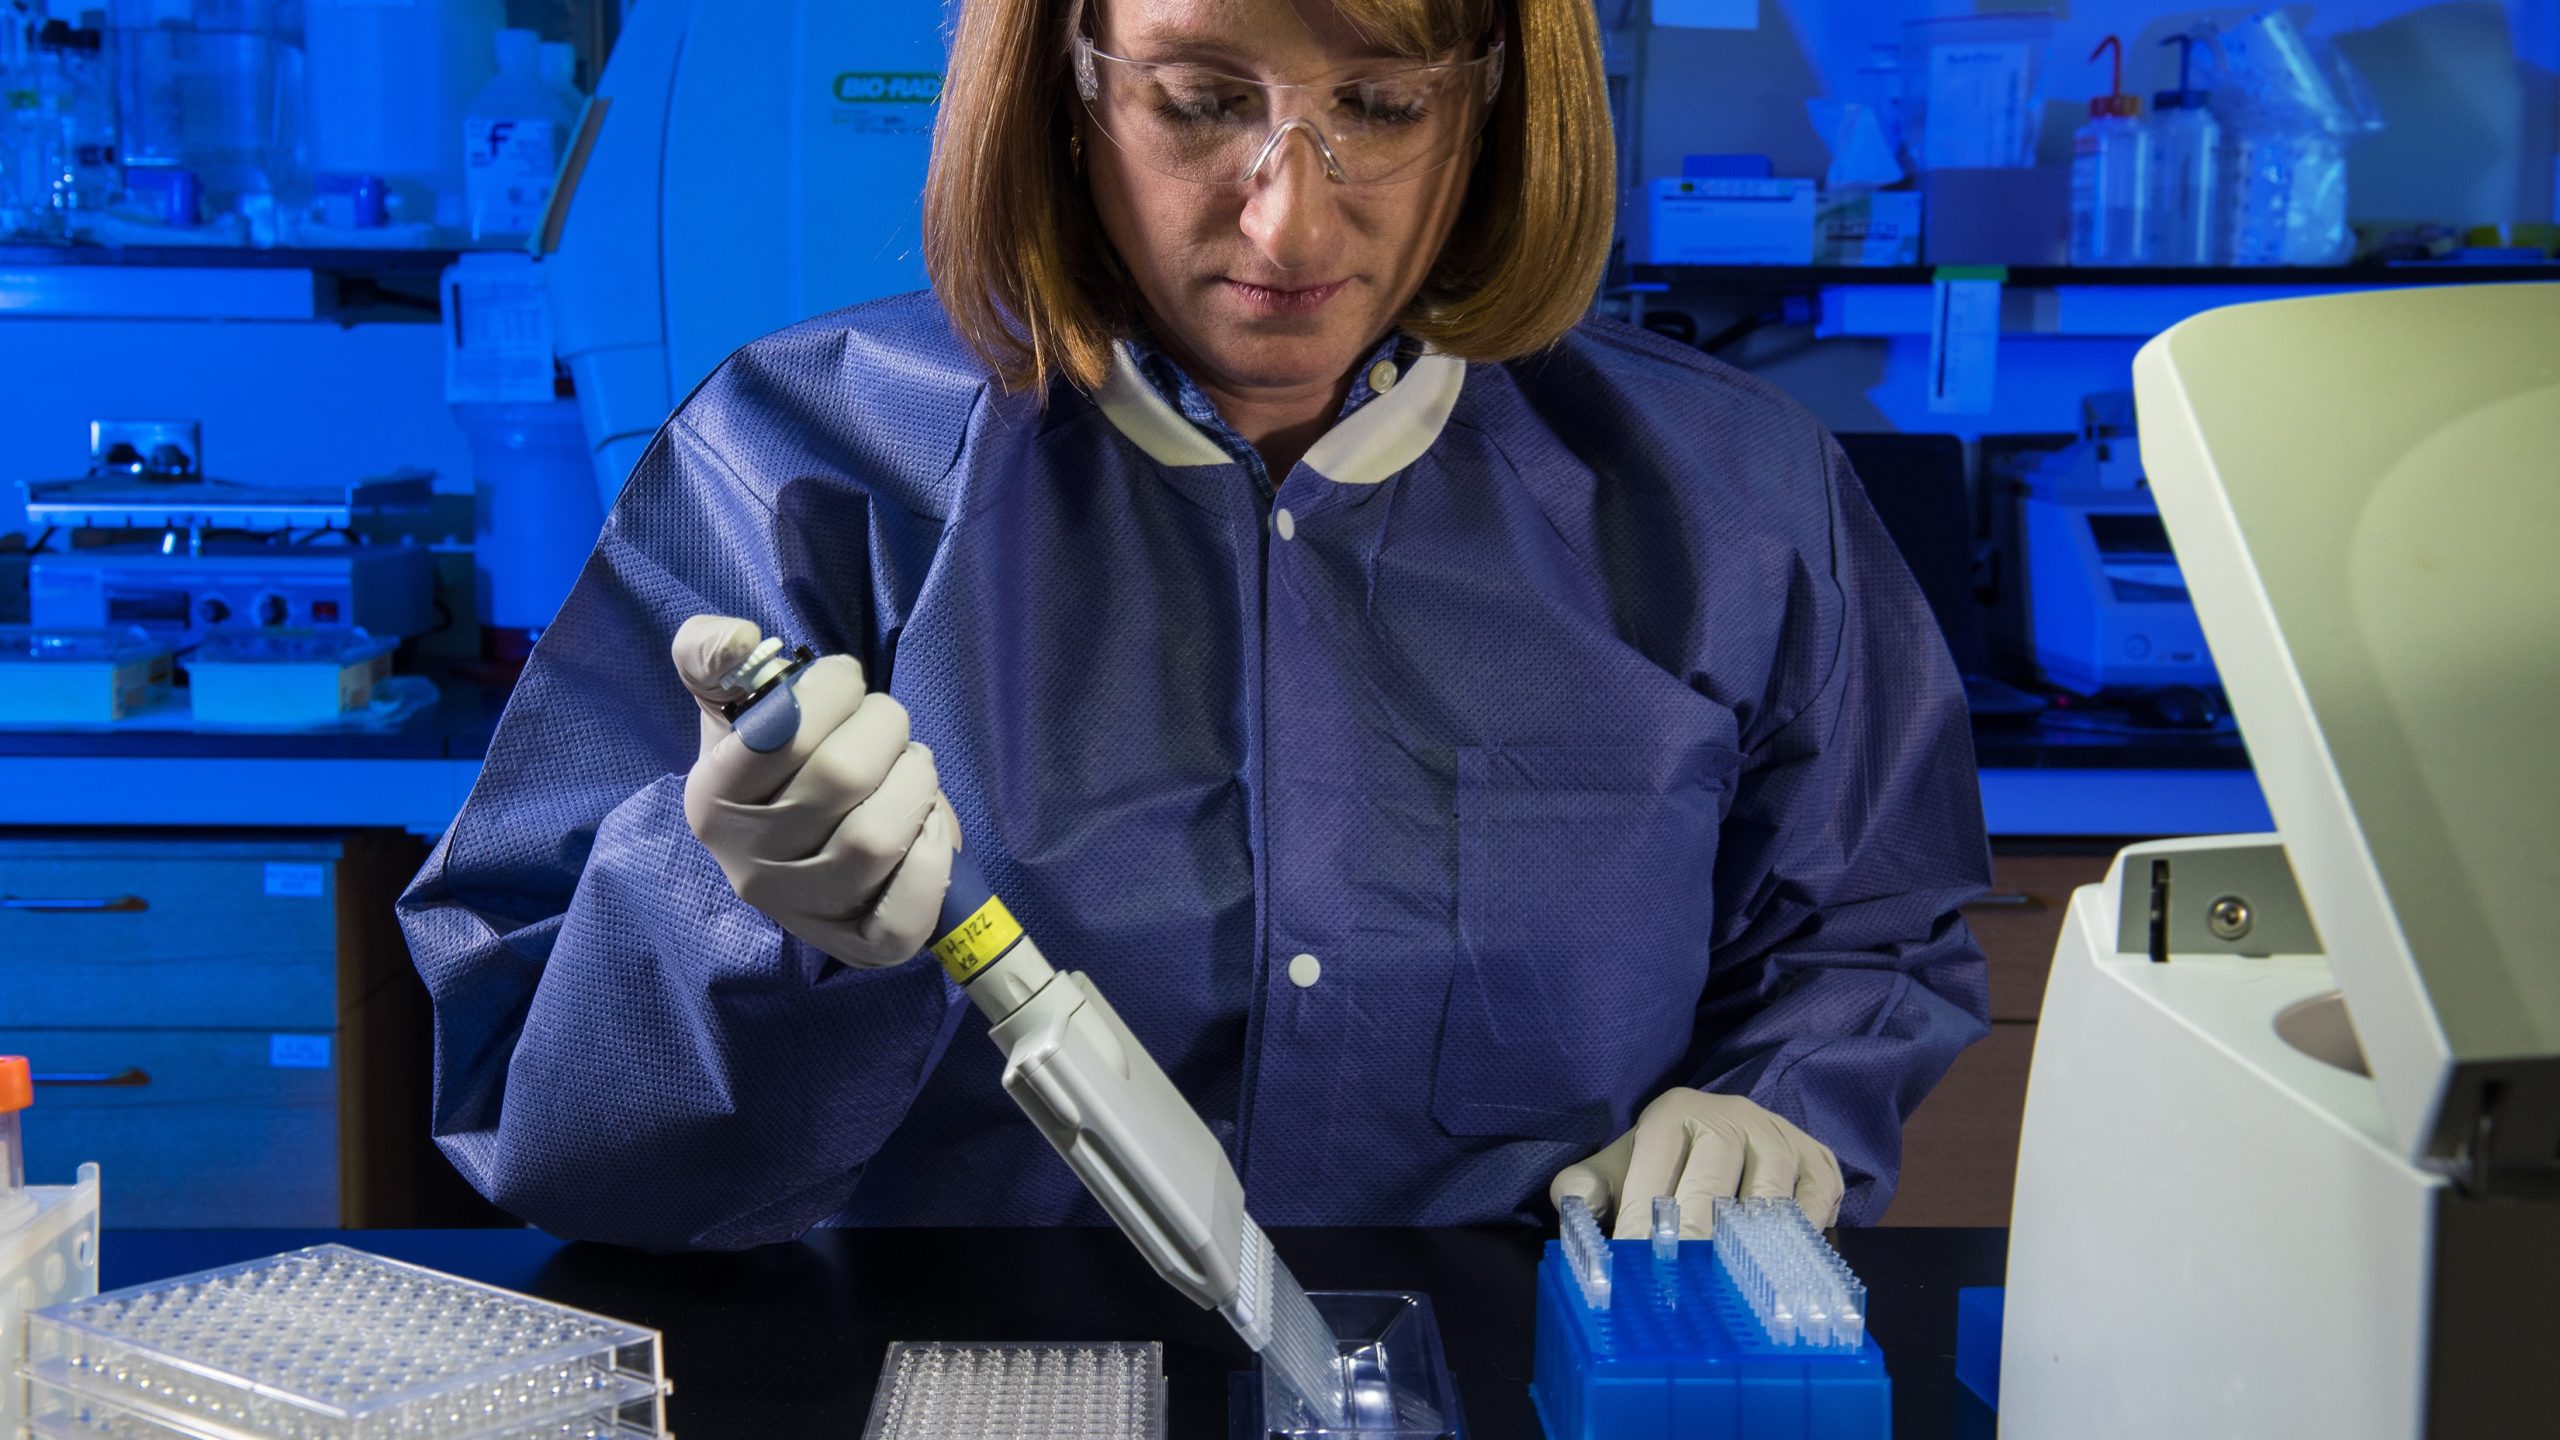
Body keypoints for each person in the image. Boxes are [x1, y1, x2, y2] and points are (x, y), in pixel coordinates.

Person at [397, 0, 1991, 1252]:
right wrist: (730, 912)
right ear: (1062, 84)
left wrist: (1775, 1099)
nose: (1291, 228)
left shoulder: (1735, 495)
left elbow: (1866, 927)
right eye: (1200, 100)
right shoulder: (803, 468)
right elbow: (540, 1131)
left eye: (1382, 102)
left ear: (1496, 97)